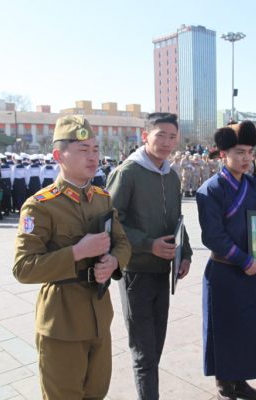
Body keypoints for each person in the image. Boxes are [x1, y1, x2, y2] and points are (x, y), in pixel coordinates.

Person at [13, 115, 131, 399]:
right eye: (83, 149)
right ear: (58, 156)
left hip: (99, 317)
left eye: (95, 149)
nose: (92, 157)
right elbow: (23, 268)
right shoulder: (40, 206)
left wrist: (114, 262)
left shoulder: (102, 197)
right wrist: (78, 251)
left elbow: (123, 243)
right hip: (62, 323)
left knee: (96, 393)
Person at [196, 121, 256, 400]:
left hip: (251, 270)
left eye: (249, 152)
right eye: (239, 152)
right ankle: (225, 386)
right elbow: (214, 237)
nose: (247, 158)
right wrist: (244, 260)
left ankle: (241, 382)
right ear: (223, 154)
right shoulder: (210, 189)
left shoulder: (250, 183)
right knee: (226, 330)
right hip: (225, 271)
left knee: (247, 328)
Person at [107, 113, 192, 400]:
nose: (167, 142)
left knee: (155, 346)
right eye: (160, 135)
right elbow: (110, 222)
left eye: (172, 137)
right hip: (136, 272)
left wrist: (185, 253)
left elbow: (177, 220)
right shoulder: (127, 173)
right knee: (144, 352)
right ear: (145, 136)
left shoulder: (171, 175)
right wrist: (147, 244)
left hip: (162, 272)